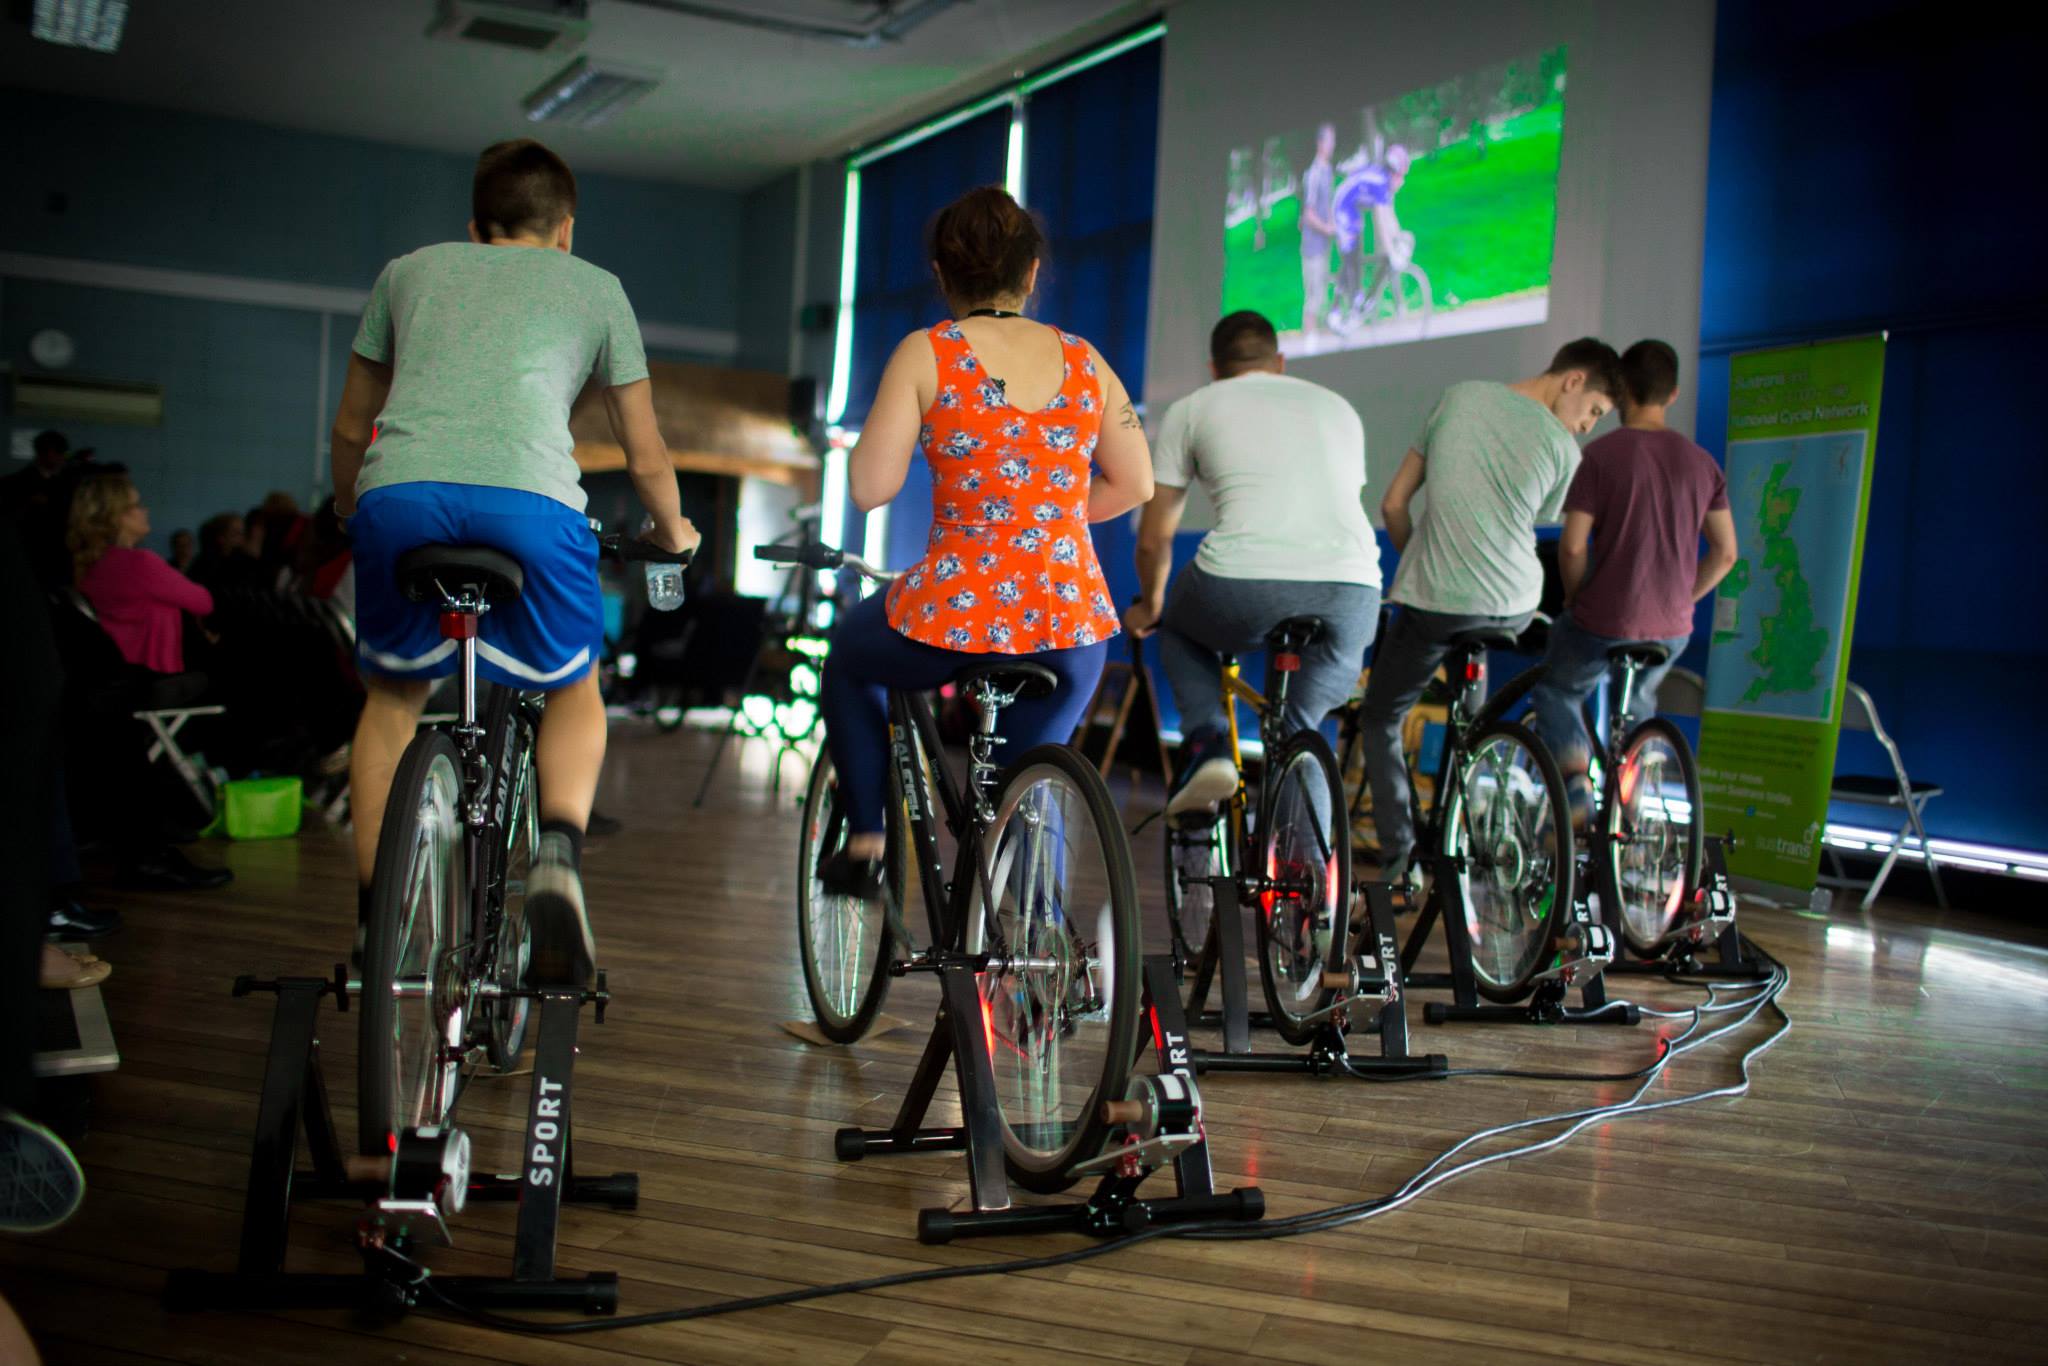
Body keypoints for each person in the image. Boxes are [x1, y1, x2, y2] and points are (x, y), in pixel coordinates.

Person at [330, 138, 698, 987]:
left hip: (400, 498)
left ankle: (375, 921)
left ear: (474, 227)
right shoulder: (597, 287)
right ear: (564, 230)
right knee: (573, 686)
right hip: (532, 507)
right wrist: (673, 531)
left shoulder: (408, 272)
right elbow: (643, 453)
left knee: (391, 700)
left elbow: (352, 427)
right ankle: (560, 854)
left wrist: (354, 512)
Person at [815, 184, 1154, 895]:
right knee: (1029, 788)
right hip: (1071, 622)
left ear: (941, 275)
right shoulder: (1087, 361)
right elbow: (1136, 485)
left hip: (955, 614)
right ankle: (1039, 952)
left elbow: (869, 489)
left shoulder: (927, 352)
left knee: (849, 653)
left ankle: (869, 837)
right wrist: (1045, 521)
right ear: (1032, 274)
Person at [1359, 338, 1624, 881]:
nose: (1587, 427)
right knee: (1471, 721)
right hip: (1511, 606)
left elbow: (1393, 504)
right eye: (1594, 411)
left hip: (1435, 601)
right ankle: (1471, 822)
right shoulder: (1564, 452)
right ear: (1573, 380)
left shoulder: (1458, 397)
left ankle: (1401, 857)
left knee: (1382, 715)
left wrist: (1425, 561)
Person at [1125, 310, 1380, 817]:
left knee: (1175, 627)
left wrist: (1151, 605)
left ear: (1213, 368)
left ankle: (1206, 741)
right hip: (1354, 592)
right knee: (1300, 729)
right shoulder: (1338, 408)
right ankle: (1311, 885)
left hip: (1242, 583)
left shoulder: (1193, 407)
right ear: (1279, 362)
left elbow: (1154, 538)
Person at [1529, 340, 1739, 819]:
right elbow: (1726, 553)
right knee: (1640, 697)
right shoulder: (1703, 464)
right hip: (1671, 627)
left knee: (1559, 690)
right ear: (1675, 394)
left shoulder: (1601, 455)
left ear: (1621, 392)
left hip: (1606, 617)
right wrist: (1682, 600)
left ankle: (1576, 790)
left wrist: (1578, 597)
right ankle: (1632, 798)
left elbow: (1574, 545)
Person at [70, 473, 214, 675]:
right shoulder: (140, 563)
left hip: (111, 672)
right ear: (116, 516)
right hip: (148, 676)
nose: (145, 510)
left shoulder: (90, 562)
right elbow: (204, 602)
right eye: (137, 505)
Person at [0, 430, 81, 589]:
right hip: (27, 556)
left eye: (59, 453)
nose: (56, 458)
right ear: (40, 453)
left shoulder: (72, 483)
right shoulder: (15, 484)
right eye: (51, 452)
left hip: (61, 557)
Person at [1298, 124, 1339, 342]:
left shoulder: (1328, 171)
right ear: (1320, 143)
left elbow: (1327, 206)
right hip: (1312, 246)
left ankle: (1316, 341)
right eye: (1329, 140)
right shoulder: (1313, 174)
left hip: (1324, 245)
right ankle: (1308, 341)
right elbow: (1308, 214)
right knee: (1313, 297)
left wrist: (1335, 224)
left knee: (1321, 293)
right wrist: (1327, 228)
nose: (1332, 145)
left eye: (1333, 140)